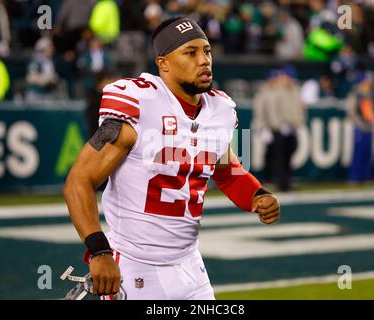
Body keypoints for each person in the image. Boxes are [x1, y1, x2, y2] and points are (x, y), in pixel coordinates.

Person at [63, 16, 280, 300]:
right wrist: (98, 249)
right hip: (134, 266)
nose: (204, 60)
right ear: (163, 63)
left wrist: (257, 194)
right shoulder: (140, 105)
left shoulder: (221, 110)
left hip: (190, 265)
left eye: (207, 51)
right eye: (191, 52)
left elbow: (227, 169)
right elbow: (78, 181)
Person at [252, 65, 305, 191]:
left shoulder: (294, 90)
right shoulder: (270, 91)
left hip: (290, 127)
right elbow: (268, 110)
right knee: (274, 155)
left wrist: (297, 122)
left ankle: (283, 179)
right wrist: (270, 126)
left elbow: (299, 107)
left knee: (288, 153)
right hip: (277, 127)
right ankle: (279, 181)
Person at [345, 71, 374, 183]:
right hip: (360, 127)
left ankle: (366, 177)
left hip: (369, 127)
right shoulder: (356, 94)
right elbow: (350, 110)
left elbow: (373, 111)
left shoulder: (371, 94)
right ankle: (355, 177)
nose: (368, 84)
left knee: (368, 153)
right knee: (358, 153)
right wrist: (358, 123)